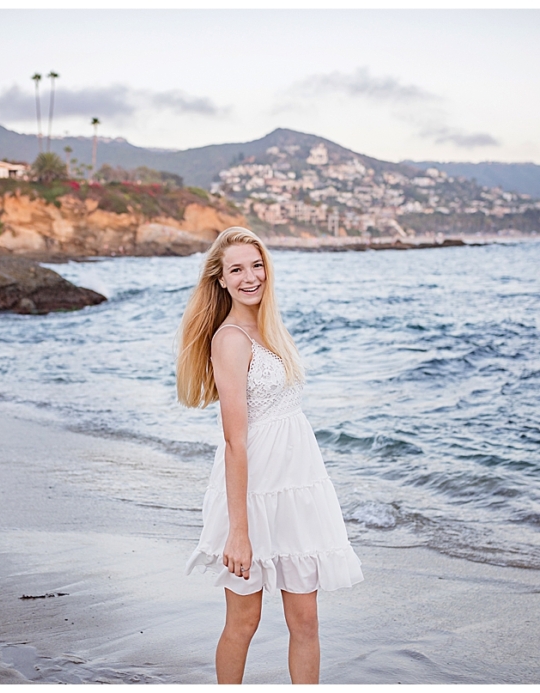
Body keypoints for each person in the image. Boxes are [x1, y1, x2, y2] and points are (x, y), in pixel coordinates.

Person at [178, 227, 363, 684]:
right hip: (251, 496)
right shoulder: (231, 340)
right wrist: (238, 533)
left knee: (306, 623)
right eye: (236, 269)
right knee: (244, 623)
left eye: (256, 265)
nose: (249, 277)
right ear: (220, 280)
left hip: (297, 491)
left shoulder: (271, 330)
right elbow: (235, 441)